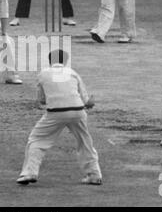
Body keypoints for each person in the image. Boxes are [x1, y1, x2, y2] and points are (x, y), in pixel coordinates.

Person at [16, 49, 102, 185]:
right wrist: (90, 102)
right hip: (78, 111)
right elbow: (87, 101)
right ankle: (94, 174)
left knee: (37, 140)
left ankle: (29, 173)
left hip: (55, 112)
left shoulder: (43, 73)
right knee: (85, 142)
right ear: (65, 61)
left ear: (50, 61)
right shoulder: (73, 72)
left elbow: (42, 100)